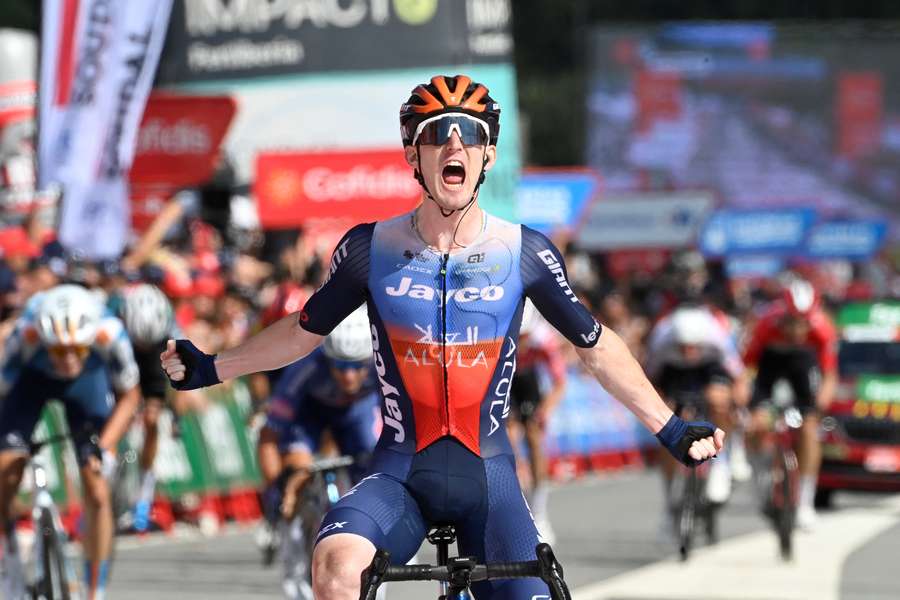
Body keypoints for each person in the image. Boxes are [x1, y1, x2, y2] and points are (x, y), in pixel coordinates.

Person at [162, 74, 724, 600]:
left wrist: (670, 428)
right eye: (436, 134)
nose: (454, 144)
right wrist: (214, 365)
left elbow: (597, 348)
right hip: (399, 473)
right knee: (335, 570)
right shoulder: (368, 249)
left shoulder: (524, 251)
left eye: (470, 134)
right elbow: (302, 332)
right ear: (414, 154)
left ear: (488, 155)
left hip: (490, 477)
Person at [0, 284, 140, 599]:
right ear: (45, 342)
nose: (67, 360)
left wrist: (103, 447)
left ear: (90, 341)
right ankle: (9, 548)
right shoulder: (26, 334)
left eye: (77, 349)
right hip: (31, 384)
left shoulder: (109, 333)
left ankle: (95, 589)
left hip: (87, 386)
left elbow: (130, 397)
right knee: (6, 467)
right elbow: (4, 389)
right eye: (59, 351)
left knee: (97, 487)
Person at [257, 306, 380, 600]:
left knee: (375, 471)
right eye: (340, 367)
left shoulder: (382, 364)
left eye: (356, 367)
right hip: (309, 417)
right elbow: (268, 435)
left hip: (357, 415)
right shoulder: (306, 368)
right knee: (296, 476)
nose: (349, 376)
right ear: (328, 359)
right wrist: (278, 489)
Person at [743, 278, 837, 530]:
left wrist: (821, 404)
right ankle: (759, 477)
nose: (797, 330)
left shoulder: (822, 328)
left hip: (802, 369)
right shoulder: (766, 324)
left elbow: (829, 375)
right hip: (770, 368)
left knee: (809, 429)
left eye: (803, 322)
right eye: (792, 322)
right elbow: (748, 366)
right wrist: (746, 398)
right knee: (756, 424)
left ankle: (805, 501)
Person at [645, 306, 745, 539]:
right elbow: (649, 383)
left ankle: (723, 463)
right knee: (664, 422)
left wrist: (735, 402)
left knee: (718, 399)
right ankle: (670, 501)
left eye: (693, 347)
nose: (689, 352)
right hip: (673, 373)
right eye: (684, 348)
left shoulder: (716, 338)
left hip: (708, 370)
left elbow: (738, 378)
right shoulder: (662, 340)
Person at [116, 282, 193, 532]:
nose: (144, 345)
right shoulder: (115, 323)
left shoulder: (172, 334)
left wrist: (176, 416)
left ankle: (142, 500)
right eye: (141, 343)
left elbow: (184, 377)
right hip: (123, 357)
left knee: (151, 420)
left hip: (155, 365)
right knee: (116, 418)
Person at [506, 299, 566, 543]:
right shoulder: (499, 333)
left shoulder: (544, 339)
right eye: (518, 337)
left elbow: (560, 383)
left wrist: (546, 410)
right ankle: (513, 506)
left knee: (533, 436)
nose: (521, 343)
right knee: (508, 440)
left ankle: (539, 510)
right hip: (504, 377)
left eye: (525, 337)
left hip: (528, 380)